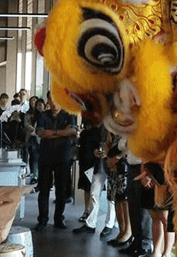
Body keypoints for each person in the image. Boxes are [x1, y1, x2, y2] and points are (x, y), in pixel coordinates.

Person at [33, 93, 77, 231]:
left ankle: (59, 218)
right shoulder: (43, 115)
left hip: (63, 157)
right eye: (51, 101)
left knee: (61, 190)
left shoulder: (69, 114)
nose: (53, 104)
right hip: (45, 157)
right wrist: (61, 132)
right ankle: (43, 219)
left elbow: (72, 131)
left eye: (56, 101)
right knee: (44, 190)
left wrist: (52, 133)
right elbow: (39, 132)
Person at [72, 120, 117, 236]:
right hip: (97, 163)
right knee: (93, 193)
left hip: (113, 163)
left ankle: (109, 225)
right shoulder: (93, 126)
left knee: (111, 197)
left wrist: (109, 153)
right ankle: (90, 223)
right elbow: (89, 143)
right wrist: (95, 151)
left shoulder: (114, 124)